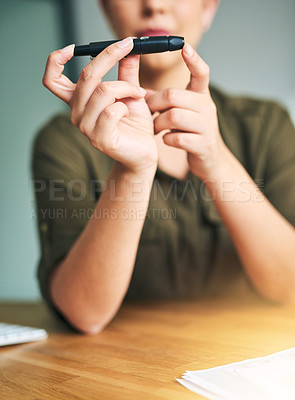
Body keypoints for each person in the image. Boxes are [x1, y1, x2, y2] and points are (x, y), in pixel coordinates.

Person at [33, 0, 295, 334]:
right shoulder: (63, 140)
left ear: (208, 7)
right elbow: (85, 313)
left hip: (248, 356)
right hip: (124, 369)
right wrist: (133, 169)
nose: (154, 5)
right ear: (106, 9)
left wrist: (216, 161)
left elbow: (291, 288)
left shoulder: (267, 125)